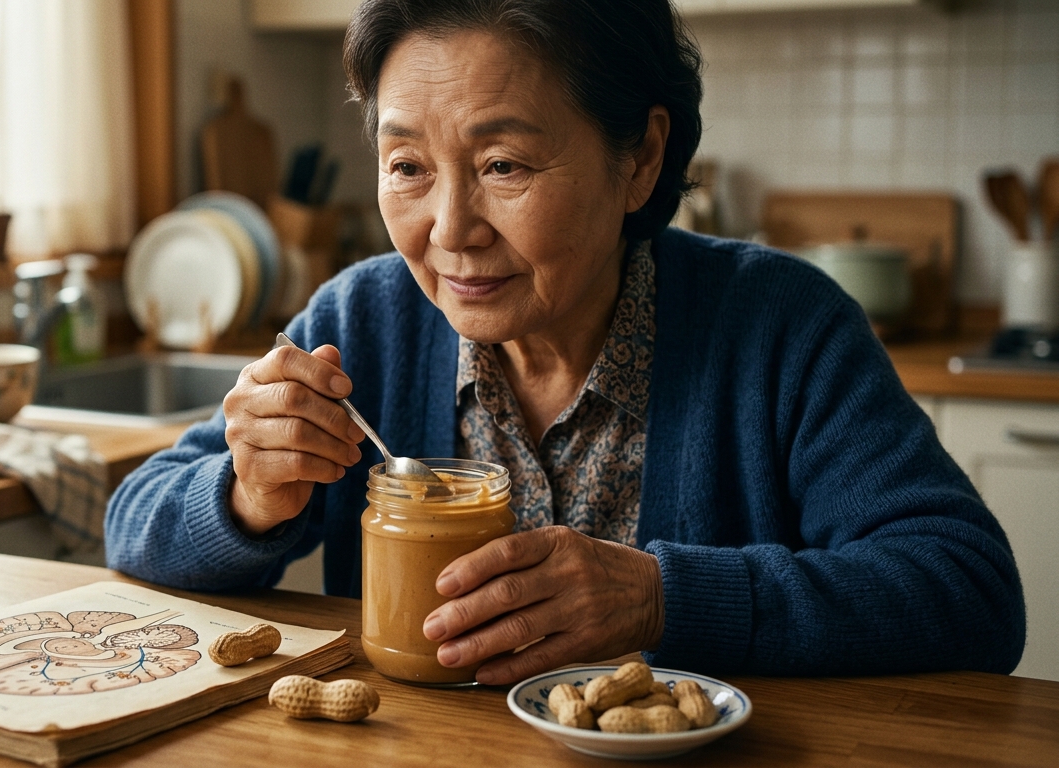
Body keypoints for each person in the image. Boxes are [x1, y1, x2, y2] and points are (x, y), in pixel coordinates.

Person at [107, 0, 1025, 685]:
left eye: (504, 165)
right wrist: (247, 493)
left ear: (640, 159)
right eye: (407, 168)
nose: (449, 228)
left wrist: (663, 596)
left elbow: (969, 591)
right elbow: (134, 521)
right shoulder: (364, 324)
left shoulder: (780, 325)